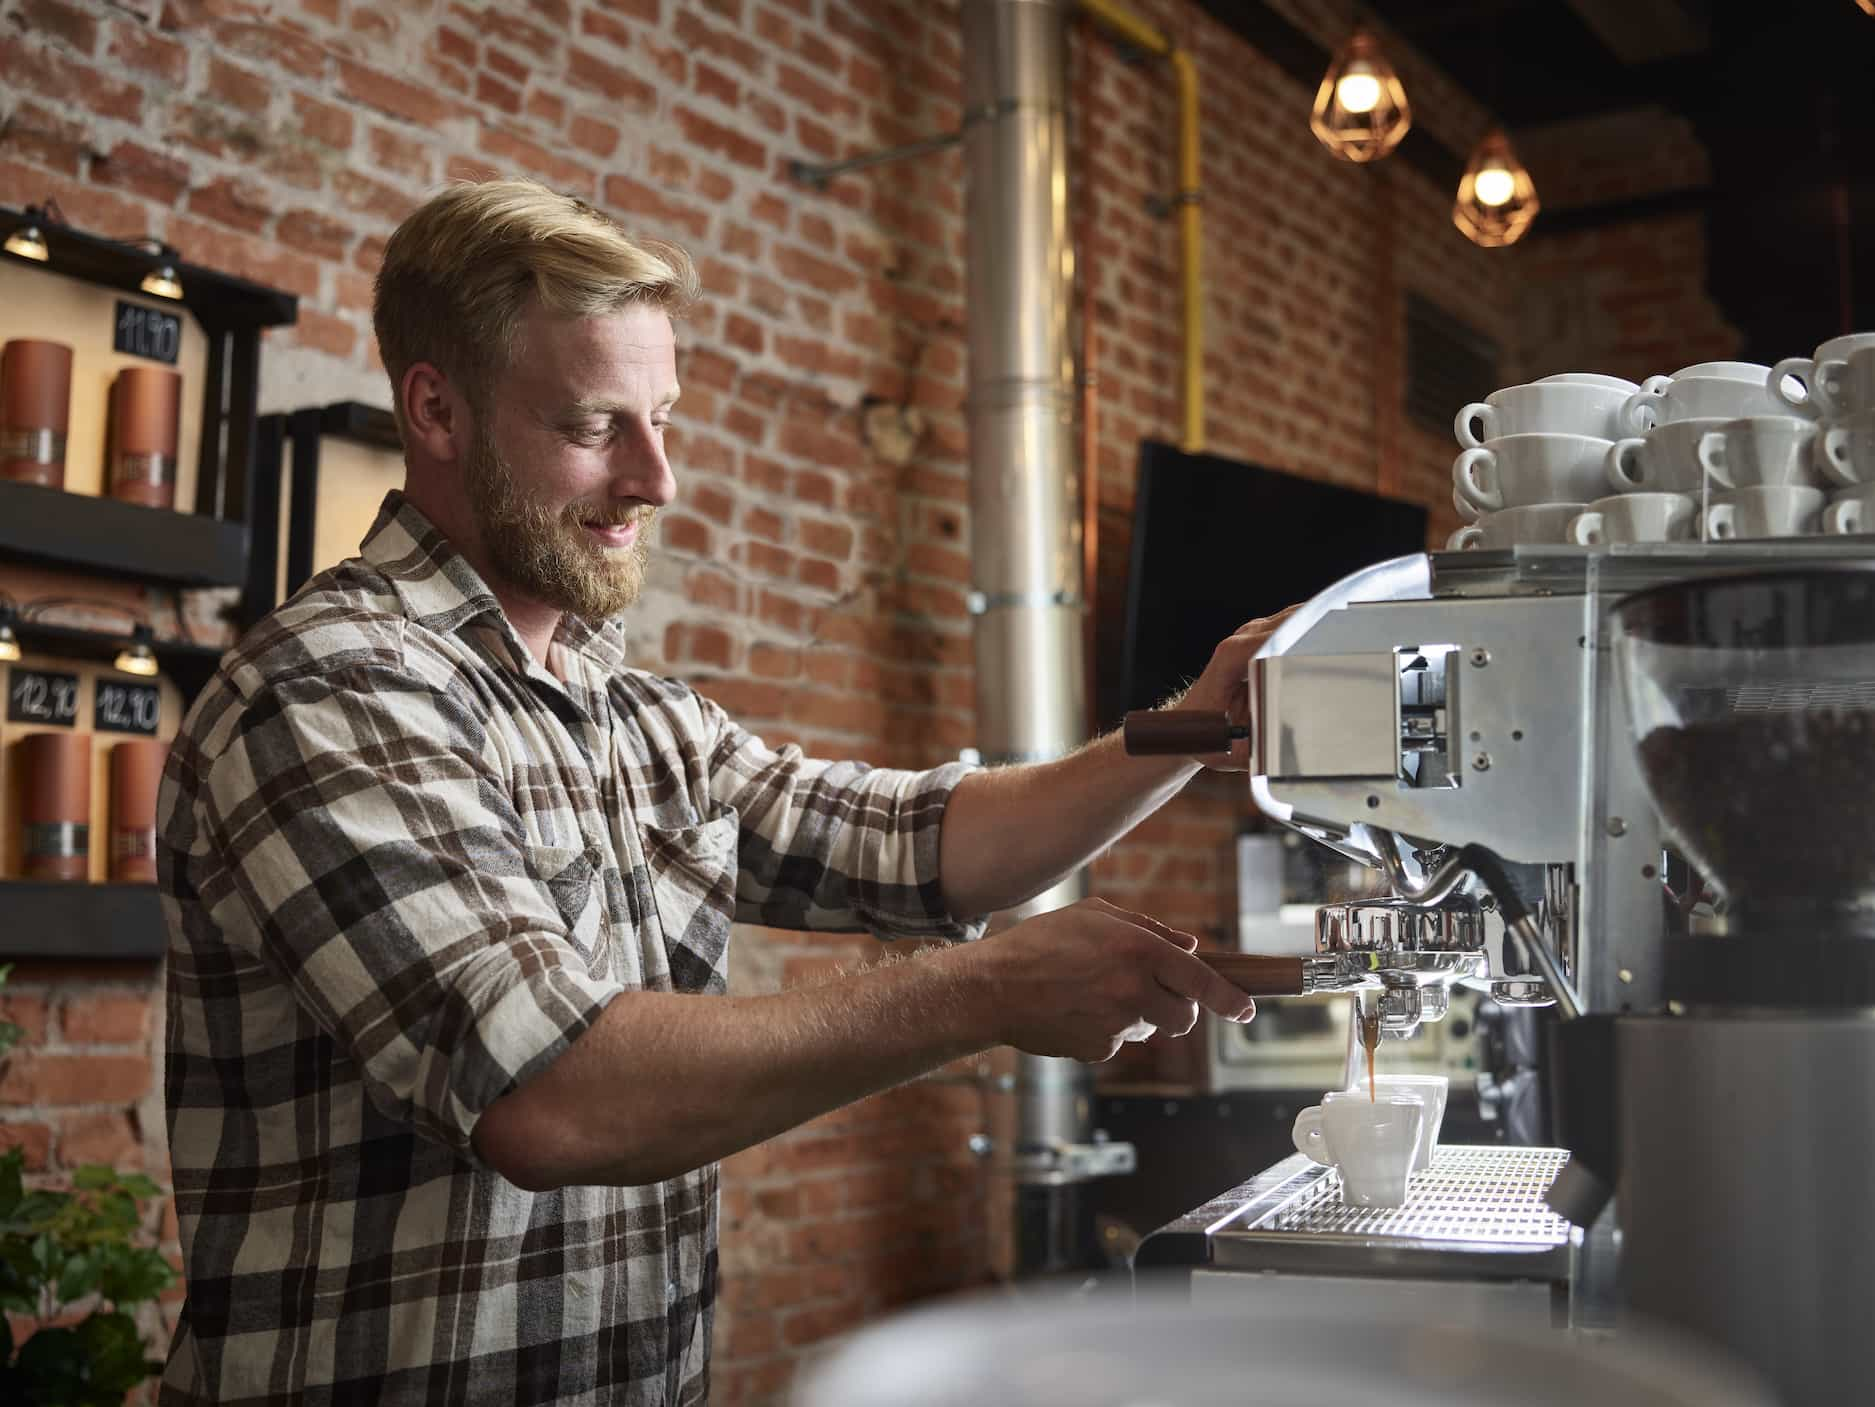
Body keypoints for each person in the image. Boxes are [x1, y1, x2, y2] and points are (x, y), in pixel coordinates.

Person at [156, 179, 1291, 1406]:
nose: (658, 480)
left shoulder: (635, 716)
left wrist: (1191, 727)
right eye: (597, 426)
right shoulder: (328, 689)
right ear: (436, 408)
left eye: (665, 419)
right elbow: (549, 1096)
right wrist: (989, 990)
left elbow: (922, 842)